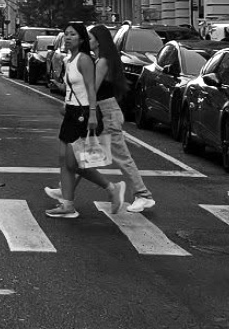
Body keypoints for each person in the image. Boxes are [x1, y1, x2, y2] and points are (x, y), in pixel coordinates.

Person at [46, 23, 154, 216]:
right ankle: (65, 189)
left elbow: (92, 88)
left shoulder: (103, 61)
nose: (88, 41)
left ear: (99, 41)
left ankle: (143, 195)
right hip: (102, 110)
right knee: (82, 154)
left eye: (90, 38)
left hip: (106, 111)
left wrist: (75, 103)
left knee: (121, 157)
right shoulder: (99, 60)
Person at [44, 21, 98, 218]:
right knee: (63, 158)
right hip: (71, 112)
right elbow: (72, 87)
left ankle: (110, 187)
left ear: (81, 39)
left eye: (73, 34)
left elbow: (91, 88)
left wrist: (93, 113)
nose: (68, 37)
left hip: (82, 113)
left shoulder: (84, 59)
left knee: (71, 162)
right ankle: (67, 204)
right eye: (66, 33)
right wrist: (65, 102)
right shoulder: (68, 59)